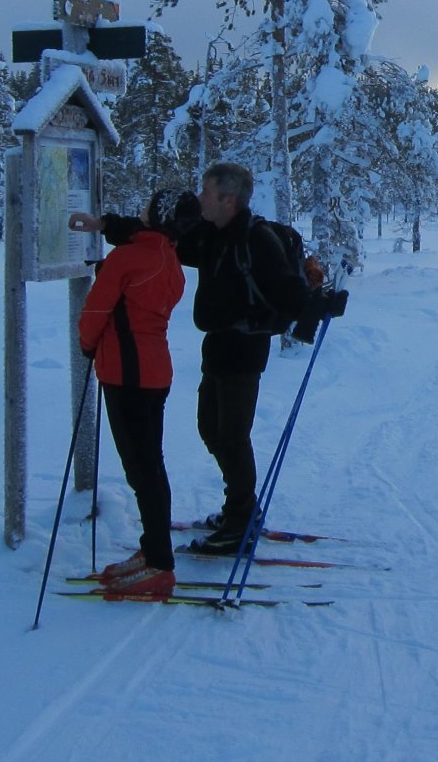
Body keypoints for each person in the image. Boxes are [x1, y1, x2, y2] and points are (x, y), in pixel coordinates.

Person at [81, 163, 328, 557]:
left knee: (230, 435)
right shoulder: (211, 234)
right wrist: (105, 224)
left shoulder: (256, 239)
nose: (199, 199)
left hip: (245, 350)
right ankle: (239, 509)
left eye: (206, 192)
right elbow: (157, 234)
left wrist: (319, 303)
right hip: (216, 347)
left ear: (228, 200)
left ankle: (241, 519)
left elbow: (288, 291)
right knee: (211, 430)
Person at [73, 188, 186, 599]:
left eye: (148, 206)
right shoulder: (168, 257)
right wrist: (104, 224)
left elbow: (95, 313)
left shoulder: (129, 258)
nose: (141, 209)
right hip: (152, 372)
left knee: (143, 471)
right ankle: (153, 551)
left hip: (127, 374)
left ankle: (159, 564)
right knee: (148, 468)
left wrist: (87, 345)